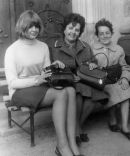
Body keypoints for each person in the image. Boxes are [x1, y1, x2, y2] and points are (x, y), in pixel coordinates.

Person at [4, 10, 83, 156]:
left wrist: (55, 66)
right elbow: (13, 82)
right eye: (30, 26)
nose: (34, 30)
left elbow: (47, 73)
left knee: (70, 90)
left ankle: (72, 143)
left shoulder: (42, 46)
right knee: (60, 94)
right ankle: (62, 146)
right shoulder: (12, 51)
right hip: (20, 92)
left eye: (36, 26)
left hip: (40, 87)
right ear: (23, 27)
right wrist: (36, 80)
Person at [50, 13, 108, 146]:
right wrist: (71, 77)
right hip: (64, 82)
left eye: (77, 30)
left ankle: (76, 127)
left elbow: (93, 63)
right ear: (64, 29)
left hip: (85, 81)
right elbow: (53, 69)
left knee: (94, 94)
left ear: (80, 32)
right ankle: (76, 130)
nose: (73, 32)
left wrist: (93, 65)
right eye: (70, 28)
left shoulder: (85, 46)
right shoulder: (54, 47)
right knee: (78, 91)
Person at [91, 18, 130, 141]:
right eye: (101, 34)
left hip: (116, 80)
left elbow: (125, 67)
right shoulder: (91, 50)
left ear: (111, 33)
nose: (105, 36)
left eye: (107, 33)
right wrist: (93, 67)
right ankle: (112, 120)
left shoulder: (119, 49)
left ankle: (125, 127)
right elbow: (87, 67)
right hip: (101, 83)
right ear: (97, 36)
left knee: (124, 90)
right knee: (112, 91)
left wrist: (125, 79)